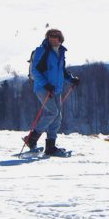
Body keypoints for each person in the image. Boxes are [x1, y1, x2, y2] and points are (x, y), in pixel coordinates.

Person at [23, 28, 80, 156]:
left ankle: (50, 146)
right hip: (43, 88)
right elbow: (35, 71)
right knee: (53, 112)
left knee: (57, 116)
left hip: (56, 89)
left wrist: (72, 79)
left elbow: (61, 71)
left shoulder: (60, 51)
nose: (53, 38)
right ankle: (31, 138)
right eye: (50, 36)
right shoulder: (41, 50)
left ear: (60, 39)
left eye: (55, 36)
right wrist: (45, 84)